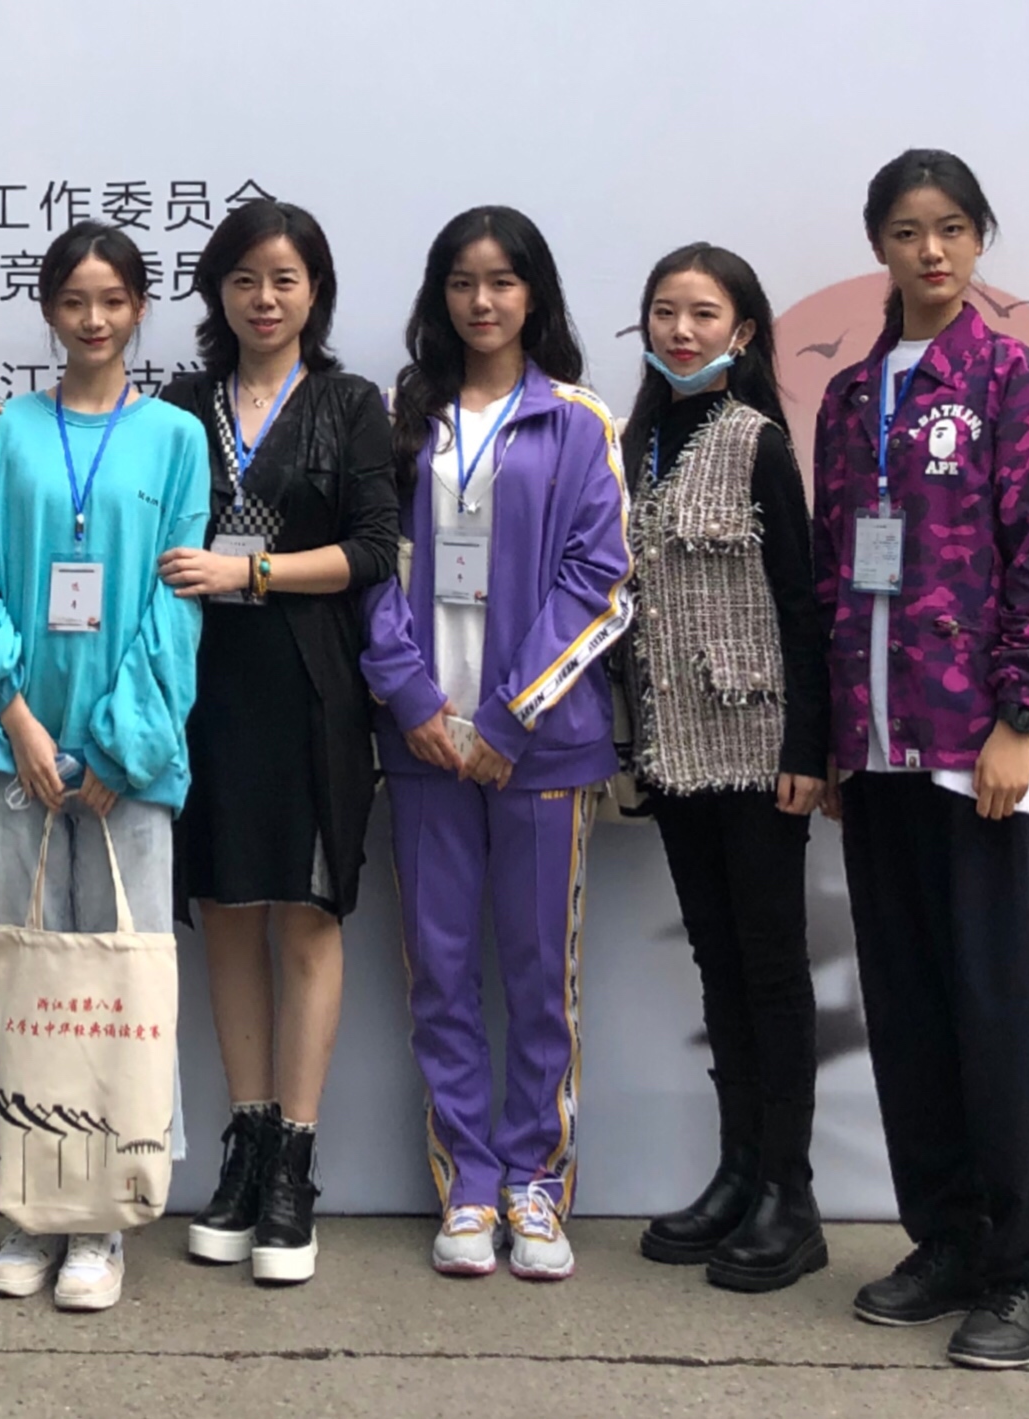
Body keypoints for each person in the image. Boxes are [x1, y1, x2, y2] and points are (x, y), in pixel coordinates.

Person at [813, 150, 1029, 1370]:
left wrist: (1018, 720)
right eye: (904, 230)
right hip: (877, 755)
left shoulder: (1016, 384)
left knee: (999, 1013)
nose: (928, 251)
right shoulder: (846, 399)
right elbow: (832, 574)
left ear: (979, 240)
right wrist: (834, 742)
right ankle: (946, 1240)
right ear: (877, 245)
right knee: (909, 1009)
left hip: (981, 752)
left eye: (949, 229)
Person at [0, 220, 209, 1314]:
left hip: (126, 766)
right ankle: (29, 1208)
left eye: (112, 299)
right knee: (25, 980)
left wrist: (119, 744)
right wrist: (18, 721)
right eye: (72, 301)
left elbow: (176, 605)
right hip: (17, 753)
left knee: (121, 987)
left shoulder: (176, 438)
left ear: (139, 307)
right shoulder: (0, 435)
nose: (92, 319)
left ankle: (103, 1221)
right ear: (48, 311)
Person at [359, 206, 631, 1284]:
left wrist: (511, 716)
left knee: (537, 975)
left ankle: (535, 1182)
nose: (482, 301)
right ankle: (467, 1184)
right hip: (424, 745)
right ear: (439, 295)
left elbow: (599, 579)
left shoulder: (575, 420)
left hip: (540, 752)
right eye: (463, 281)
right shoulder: (399, 418)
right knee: (439, 972)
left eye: (502, 280)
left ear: (533, 294)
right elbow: (368, 565)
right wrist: (413, 701)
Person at [146, 200, 401, 1287]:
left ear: (315, 293)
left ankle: (295, 1167)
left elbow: (374, 548)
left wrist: (248, 570)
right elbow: (112, 487)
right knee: (223, 909)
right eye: (245, 277)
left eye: (285, 279)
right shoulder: (178, 402)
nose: (264, 298)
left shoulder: (350, 403)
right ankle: (243, 1149)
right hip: (201, 687)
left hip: (309, 688)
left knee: (304, 913)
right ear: (218, 289)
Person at [614, 244, 832, 1292]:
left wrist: (807, 750)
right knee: (716, 963)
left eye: (702, 313)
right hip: (672, 747)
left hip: (755, 746)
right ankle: (737, 1172)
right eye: (664, 312)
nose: (681, 330)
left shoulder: (756, 441)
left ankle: (790, 1194)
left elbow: (800, 599)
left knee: (770, 966)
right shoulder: (634, 441)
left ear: (742, 332)